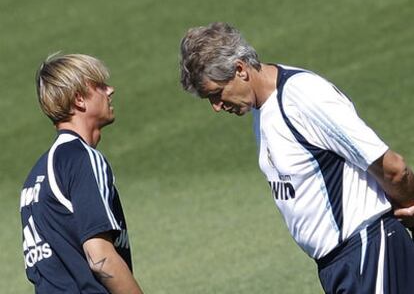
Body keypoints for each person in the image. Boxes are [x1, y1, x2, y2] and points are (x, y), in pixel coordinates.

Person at [179, 22, 414, 293]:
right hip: (340, 264)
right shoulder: (262, 108)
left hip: (368, 251)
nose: (217, 107)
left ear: (240, 69)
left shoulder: (302, 97)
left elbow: (393, 167)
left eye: (216, 95)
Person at [19, 53, 144, 293]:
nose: (110, 90)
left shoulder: (34, 176)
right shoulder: (81, 159)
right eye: (99, 86)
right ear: (79, 99)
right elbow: (100, 257)